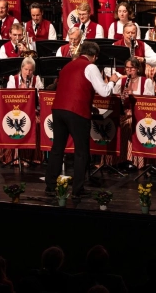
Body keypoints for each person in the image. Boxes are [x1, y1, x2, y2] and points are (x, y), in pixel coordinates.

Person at [44, 42, 119, 198]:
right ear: (94, 56)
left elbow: (73, 88)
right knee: (81, 152)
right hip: (76, 112)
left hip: (58, 109)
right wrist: (112, 81)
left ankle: (50, 186)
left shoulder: (68, 65)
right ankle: (77, 190)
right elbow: (104, 92)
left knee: (57, 149)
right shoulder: (90, 66)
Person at [107, 57, 155, 169]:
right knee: (115, 124)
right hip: (124, 113)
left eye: (132, 68)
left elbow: (150, 102)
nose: (129, 71)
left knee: (129, 124)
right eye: (127, 68)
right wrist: (121, 97)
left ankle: (133, 161)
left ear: (138, 69)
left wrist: (133, 95)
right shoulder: (121, 81)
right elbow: (114, 97)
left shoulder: (146, 81)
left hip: (141, 115)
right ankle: (118, 159)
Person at [1, 56, 44, 166]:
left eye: (30, 70)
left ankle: (32, 156)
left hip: (32, 111)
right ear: (21, 68)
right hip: (15, 111)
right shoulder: (13, 79)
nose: (28, 72)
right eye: (26, 69)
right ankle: (14, 157)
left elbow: (40, 98)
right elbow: (8, 97)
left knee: (37, 123)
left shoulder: (36, 79)